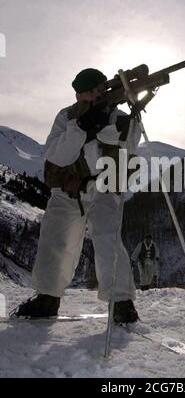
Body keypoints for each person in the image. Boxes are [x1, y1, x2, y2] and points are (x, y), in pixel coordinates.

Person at [12, 68, 141, 323]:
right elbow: (57, 155)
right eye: (87, 92)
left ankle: (121, 302)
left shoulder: (115, 113)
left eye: (97, 90)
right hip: (67, 189)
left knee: (108, 241)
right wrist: (81, 126)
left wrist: (124, 119)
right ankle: (47, 298)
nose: (93, 96)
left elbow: (130, 141)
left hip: (104, 188)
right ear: (78, 94)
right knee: (55, 241)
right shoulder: (66, 117)